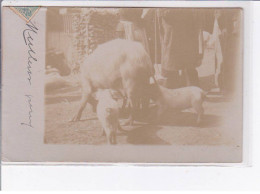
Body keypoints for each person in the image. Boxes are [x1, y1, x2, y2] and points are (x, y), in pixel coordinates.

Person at [157, 8, 214, 89]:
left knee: (189, 65)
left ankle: (192, 90)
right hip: (172, 31)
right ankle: (173, 90)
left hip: (187, 29)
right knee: (172, 66)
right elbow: (163, 12)